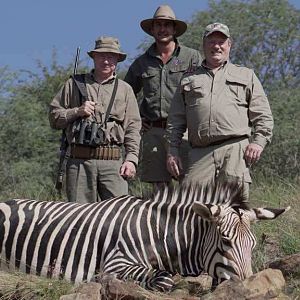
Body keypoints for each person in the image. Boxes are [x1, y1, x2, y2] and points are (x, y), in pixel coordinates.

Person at [166, 23, 274, 201]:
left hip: (235, 149)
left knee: (235, 210)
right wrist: (173, 151)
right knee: (191, 207)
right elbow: (176, 120)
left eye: (221, 42)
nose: (216, 46)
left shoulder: (246, 75)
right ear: (204, 45)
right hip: (199, 152)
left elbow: (263, 114)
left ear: (229, 45)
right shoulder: (188, 78)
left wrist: (258, 142)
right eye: (211, 41)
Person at [49, 36, 141, 203]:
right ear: (94, 57)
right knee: (79, 219)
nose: (106, 61)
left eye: (111, 56)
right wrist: (77, 111)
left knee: (119, 218)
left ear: (118, 59)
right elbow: (54, 118)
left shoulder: (125, 89)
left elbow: (133, 128)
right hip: (79, 163)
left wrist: (131, 159)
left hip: (113, 163)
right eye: (101, 56)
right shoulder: (74, 84)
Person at [124, 5, 202, 188]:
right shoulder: (141, 63)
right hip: (154, 132)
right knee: (159, 192)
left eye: (167, 25)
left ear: (174, 29)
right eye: (158, 25)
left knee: (189, 184)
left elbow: (205, 90)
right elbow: (125, 94)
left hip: (185, 131)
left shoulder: (192, 57)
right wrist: (135, 119)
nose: (162, 29)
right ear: (152, 30)